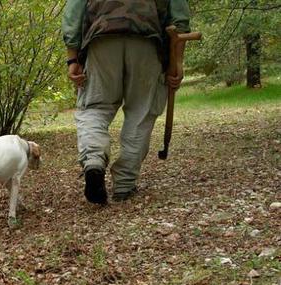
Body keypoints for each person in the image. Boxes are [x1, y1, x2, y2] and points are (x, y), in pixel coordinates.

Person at [62, 0, 191, 205]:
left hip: (101, 40)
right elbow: (180, 19)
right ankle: (124, 184)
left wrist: (72, 59)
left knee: (94, 108)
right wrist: (176, 62)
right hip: (147, 41)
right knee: (141, 111)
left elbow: (73, 13)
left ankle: (94, 160)